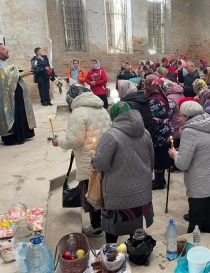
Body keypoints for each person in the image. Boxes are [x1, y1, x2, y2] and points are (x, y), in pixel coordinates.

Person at [52, 85, 111, 237]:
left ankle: (97, 227)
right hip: (105, 157)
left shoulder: (78, 113)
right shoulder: (102, 109)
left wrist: (59, 142)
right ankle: (108, 223)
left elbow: (74, 140)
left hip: (89, 160)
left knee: (92, 194)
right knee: (105, 192)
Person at [91, 102, 154, 243]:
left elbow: (101, 165)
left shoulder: (110, 136)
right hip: (142, 190)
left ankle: (112, 255)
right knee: (135, 224)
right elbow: (151, 160)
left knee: (113, 228)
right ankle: (135, 250)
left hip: (118, 193)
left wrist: (93, 159)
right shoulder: (145, 132)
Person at [168, 100, 210, 234]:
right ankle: (209, 241)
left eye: (182, 116)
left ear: (187, 116)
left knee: (196, 221)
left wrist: (174, 154)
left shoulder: (190, 132)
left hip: (201, 185)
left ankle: (194, 248)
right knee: (209, 213)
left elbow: (182, 164)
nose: (181, 119)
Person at [0, 43, 36, 145]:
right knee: (13, 114)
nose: (6, 50)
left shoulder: (6, 63)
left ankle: (23, 133)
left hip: (16, 95)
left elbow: (12, 74)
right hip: (9, 97)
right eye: (3, 49)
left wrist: (21, 73)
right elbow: (5, 79)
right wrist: (23, 74)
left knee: (20, 112)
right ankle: (14, 136)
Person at [144, 75, 173, 190]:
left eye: (146, 84)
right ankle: (160, 178)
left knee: (158, 157)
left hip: (159, 132)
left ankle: (159, 182)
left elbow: (154, 118)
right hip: (165, 130)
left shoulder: (154, 99)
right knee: (161, 155)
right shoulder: (161, 95)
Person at [161, 79, 185, 171]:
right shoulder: (180, 93)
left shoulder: (170, 97)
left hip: (174, 123)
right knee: (180, 143)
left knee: (174, 144)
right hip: (182, 120)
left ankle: (175, 165)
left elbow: (169, 113)